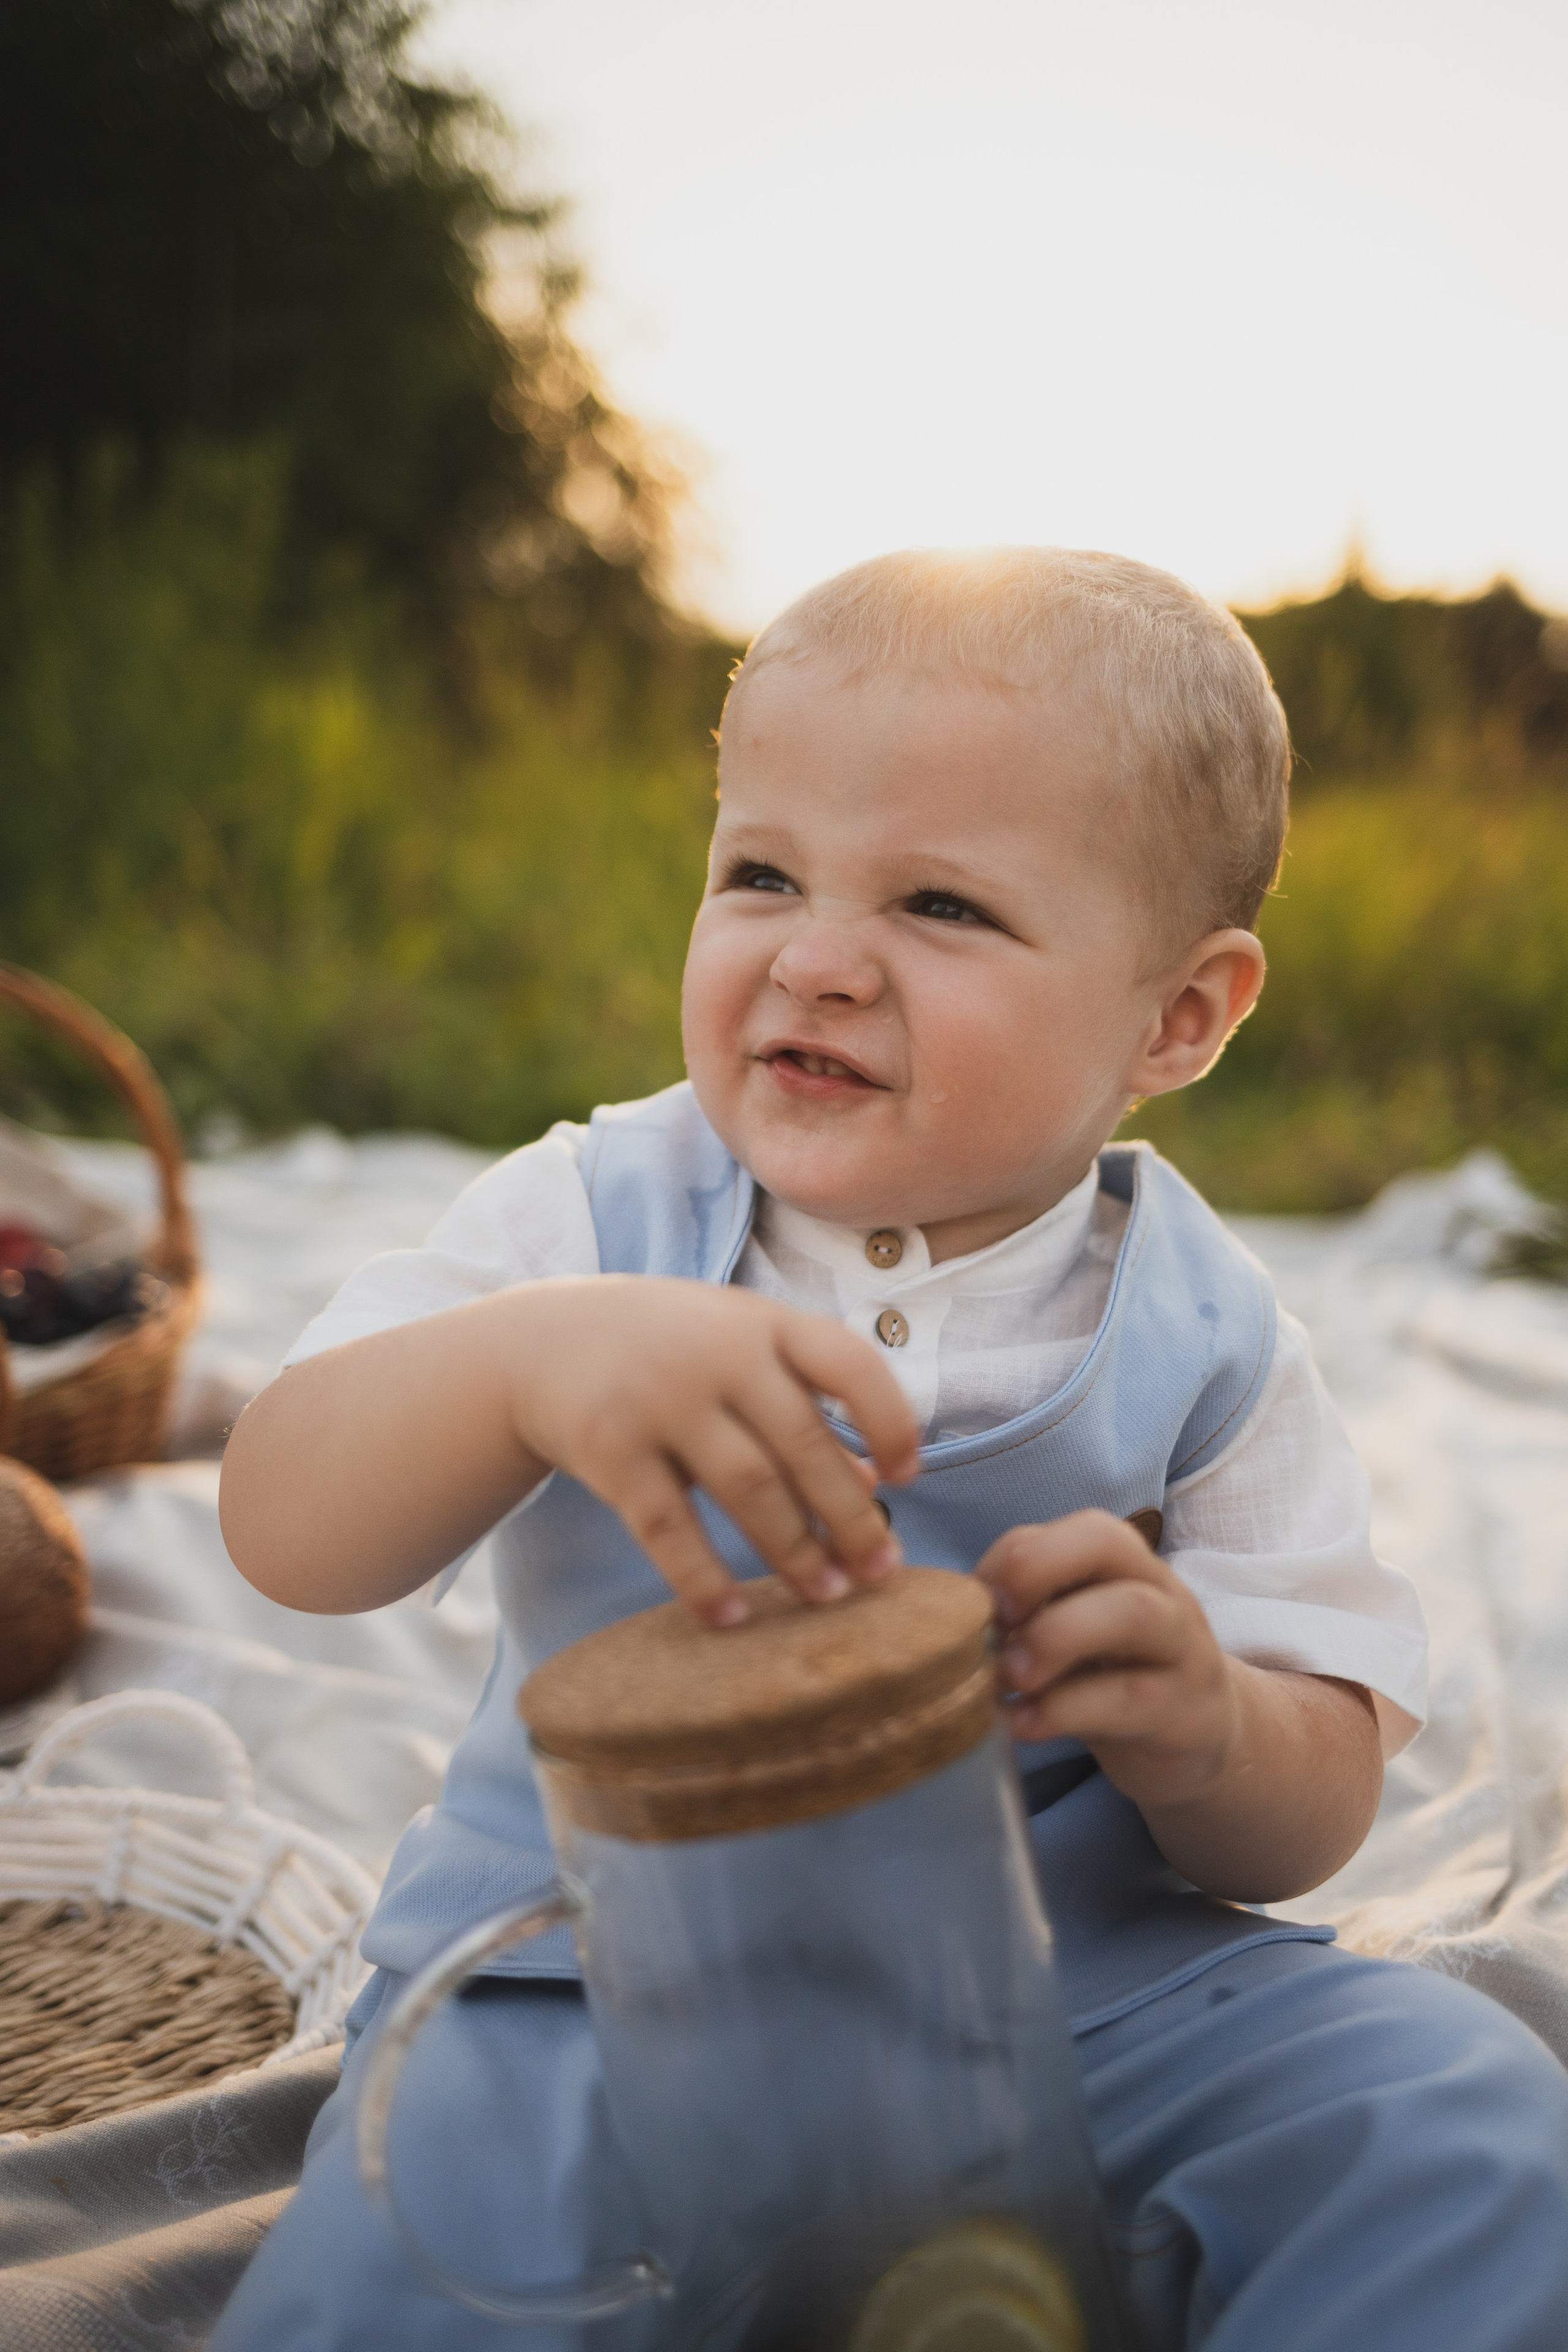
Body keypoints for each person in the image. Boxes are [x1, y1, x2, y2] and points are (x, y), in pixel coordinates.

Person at [213, 548, 1568, 2351]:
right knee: (397, 2273)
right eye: (761, 873)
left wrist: (1213, 1725)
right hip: (584, 1985)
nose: (818, 958)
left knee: (1462, 2115)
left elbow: (1307, 1811)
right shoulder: (590, 1217)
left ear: (1179, 1016)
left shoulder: (1205, 1331)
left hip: (1071, 1985)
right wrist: (530, 1366)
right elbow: (286, 1526)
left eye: (941, 906)